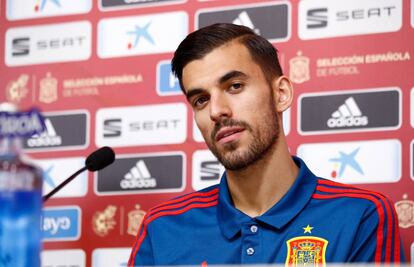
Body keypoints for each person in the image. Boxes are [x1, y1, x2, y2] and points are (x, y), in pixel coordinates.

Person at [128, 23, 404, 266]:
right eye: (201, 99)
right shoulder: (162, 227)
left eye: (234, 86)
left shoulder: (360, 215)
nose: (217, 111)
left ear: (281, 94)